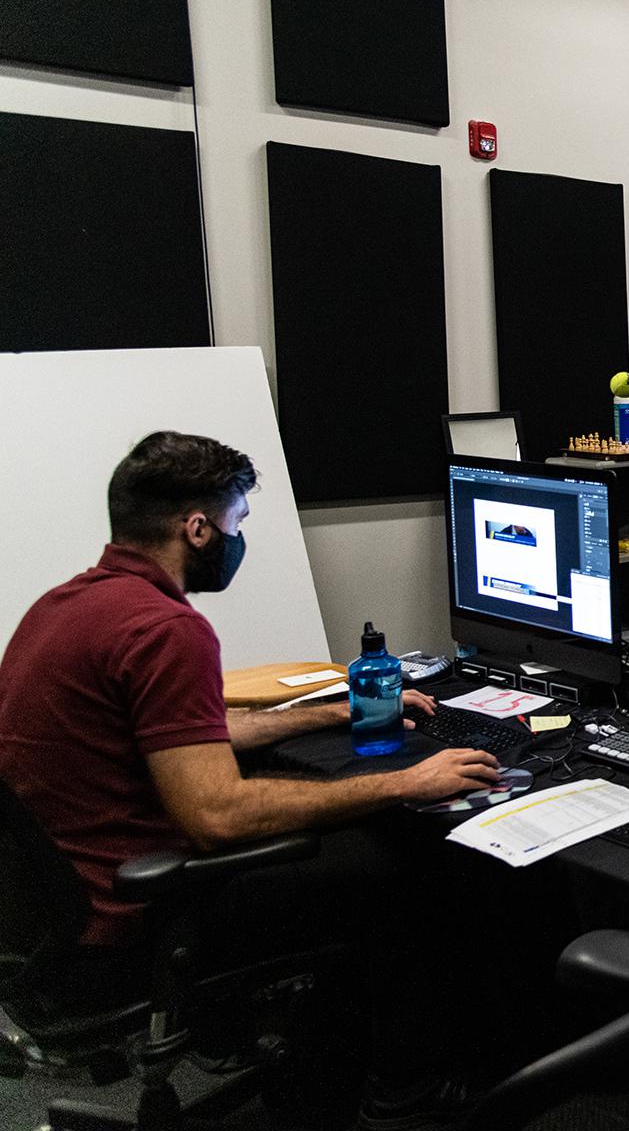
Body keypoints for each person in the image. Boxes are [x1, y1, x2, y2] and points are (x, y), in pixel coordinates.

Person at [0, 431, 501, 1129]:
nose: (238, 543)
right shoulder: (164, 629)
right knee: (402, 865)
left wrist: (333, 711)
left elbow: (197, 736)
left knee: (350, 837)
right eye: (235, 525)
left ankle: (307, 1073)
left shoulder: (70, 606)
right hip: (135, 919)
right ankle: (401, 1090)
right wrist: (407, 782)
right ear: (197, 528)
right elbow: (218, 816)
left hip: (60, 916)